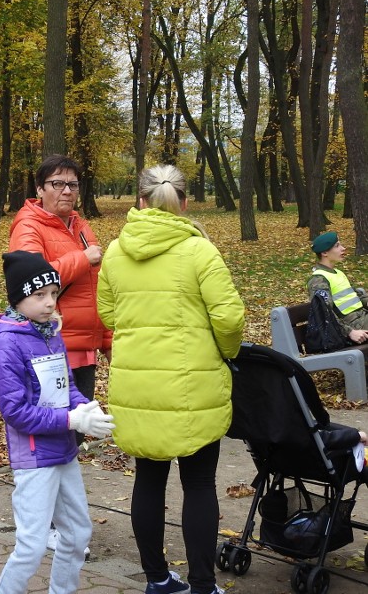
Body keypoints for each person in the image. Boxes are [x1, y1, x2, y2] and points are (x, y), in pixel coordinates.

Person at [96, 165, 245, 594]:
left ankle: (158, 579)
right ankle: (202, 585)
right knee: (198, 483)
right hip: (192, 387)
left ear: (139, 201)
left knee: (148, 478)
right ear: (184, 203)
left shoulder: (116, 252)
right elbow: (229, 317)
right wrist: (226, 351)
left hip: (138, 387)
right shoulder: (199, 251)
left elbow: (109, 314)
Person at [0, 250, 115, 594]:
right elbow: (16, 412)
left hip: (63, 450)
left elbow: (67, 387)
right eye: (39, 295)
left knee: (76, 535)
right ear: (18, 297)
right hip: (34, 458)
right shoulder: (5, 344)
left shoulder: (49, 331)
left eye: (54, 294)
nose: (49, 303)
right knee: (31, 546)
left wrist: (86, 409)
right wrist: (73, 419)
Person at [9, 155, 111, 405]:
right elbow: (32, 280)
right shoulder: (28, 226)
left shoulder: (80, 226)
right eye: (57, 184)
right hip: (50, 347)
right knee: (56, 430)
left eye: (73, 185)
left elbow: (97, 287)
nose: (66, 191)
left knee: (75, 431)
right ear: (39, 189)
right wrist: (83, 258)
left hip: (84, 349)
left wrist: (107, 340)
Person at [307, 231, 368, 344]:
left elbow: (354, 296)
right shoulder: (318, 280)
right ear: (325, 252)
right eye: (337, 246)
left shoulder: (337, 273)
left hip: (362, 318)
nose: (343, 248)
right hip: (353, 326)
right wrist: (349, 332)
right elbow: (323, 312)